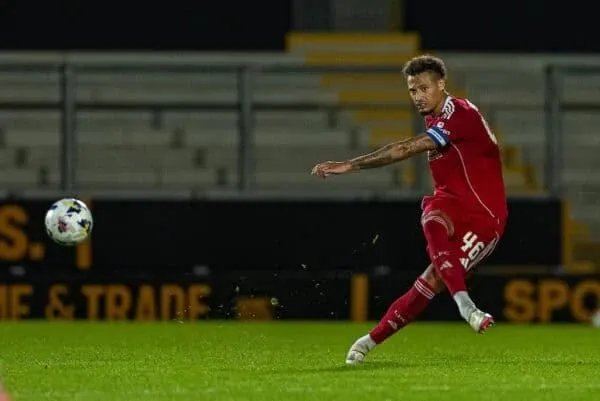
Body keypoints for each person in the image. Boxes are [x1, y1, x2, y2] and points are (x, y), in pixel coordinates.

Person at [311, 54, 508, 365]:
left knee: (432, 279)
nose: (418, 97)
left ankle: (457, 308)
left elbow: (403, 149)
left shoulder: (460, 113)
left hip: (484, 217)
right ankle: (370, 341)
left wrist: (350, 165)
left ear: (442, 84)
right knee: (431, 216)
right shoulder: (436, 115)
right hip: (450, 202)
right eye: (412, 91)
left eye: (424, 89)